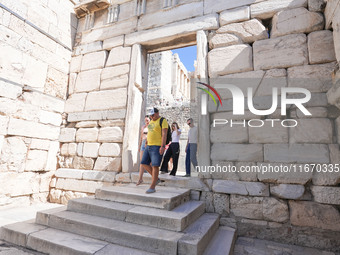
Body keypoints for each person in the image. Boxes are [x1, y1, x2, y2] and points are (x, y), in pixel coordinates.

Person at [140, 107, 168, 193]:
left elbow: (164, 134)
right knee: (144, 163)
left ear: (157, 113)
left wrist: (162, 146)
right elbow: (150, 133)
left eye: (153, 115)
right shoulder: (151, 121)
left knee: (155, 166)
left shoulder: (163, 120)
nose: (152, 117)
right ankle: (156, 179)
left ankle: (152, 187)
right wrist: (147, 142)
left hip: (157, 146)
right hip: (148, 146)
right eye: (151, 115)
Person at [136, 116, 150, 186]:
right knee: (142, 162)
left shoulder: (151, 126)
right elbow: (141, 137)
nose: (146, 122)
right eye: (145, 120)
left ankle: (155, 177)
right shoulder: (143, 127)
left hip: (149, 144)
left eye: (147, 120)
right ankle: (140, 179)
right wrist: (139, 146)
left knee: (150, 163)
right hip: (143, 144)